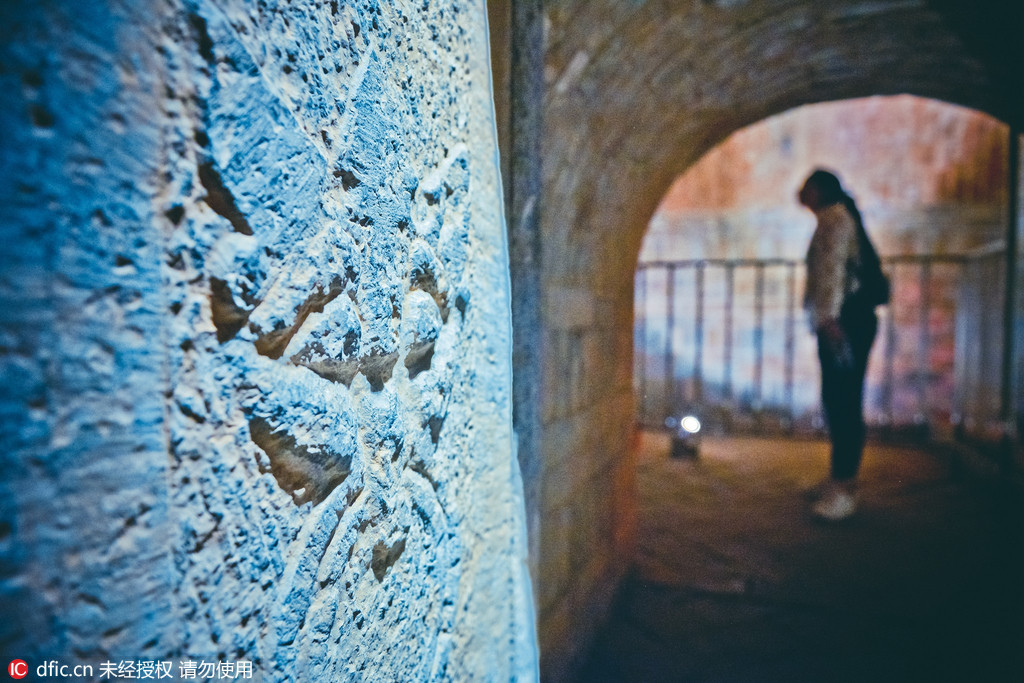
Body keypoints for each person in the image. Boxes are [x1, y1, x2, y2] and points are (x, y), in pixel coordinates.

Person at [798, 169, 880, 521]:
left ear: (819, 191)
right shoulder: (836, 217)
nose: (801, 192)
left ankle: (845, 487)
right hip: (845, 321)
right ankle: (839, 479)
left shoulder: (835, 219)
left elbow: (831, 269)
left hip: (843, 323)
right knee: (839, 397)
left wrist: (828, 319)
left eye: (807, 187)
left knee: (843, 399)